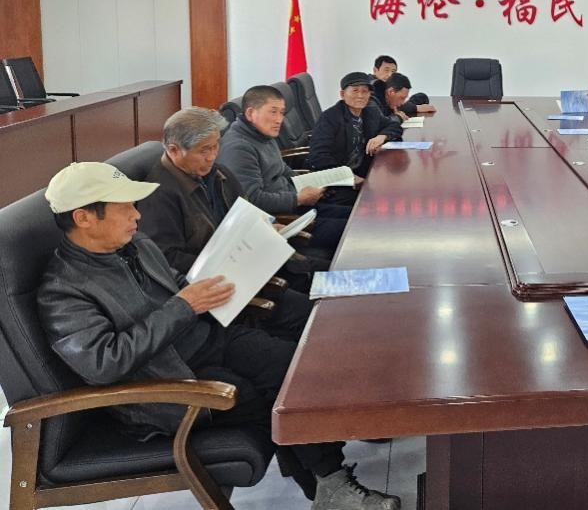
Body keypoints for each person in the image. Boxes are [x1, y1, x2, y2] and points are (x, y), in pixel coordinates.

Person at [37, 161, 402, 509]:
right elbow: (104, 363)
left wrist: (220, 279)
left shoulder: (136, 246)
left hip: (208, 340)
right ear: (84, 218)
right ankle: (331, 485)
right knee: (277, 394)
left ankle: (327, 485)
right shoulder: (63, 290)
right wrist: (183, 305)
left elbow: (176, 286)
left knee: (301, 368)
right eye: (125, 208)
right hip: (170, 381)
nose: (137, 215)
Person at [136, 107, 318, 331]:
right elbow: (165, 259)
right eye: (204, 150)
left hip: (259, 265)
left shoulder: (218, 173)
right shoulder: (159, 196)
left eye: (216, 146)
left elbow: (246, 212)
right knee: (315, 315)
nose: (212, 156)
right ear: (174, 150)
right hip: (226, 289)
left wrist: (266, 226)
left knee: (325, 292)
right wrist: (226, 258)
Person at [216, 85, 348, 251]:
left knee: (356, 215)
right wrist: (298, 199)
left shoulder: (262, 133)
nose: (279, 119)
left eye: (281, 112)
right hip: (284, 219)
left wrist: (305, 182)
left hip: (294, 201)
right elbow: (252, 200)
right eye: (273, 112)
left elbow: (281, 167)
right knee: (352, 230)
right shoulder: (239, 148)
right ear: (250, 113)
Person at [308, 71, 403, 203]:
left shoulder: (370, 113)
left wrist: (382, 136)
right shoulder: (329, 118)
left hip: (362, 171)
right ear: (342, 94)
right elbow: (318, 157)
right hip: (337, 181)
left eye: (365, 91)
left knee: (394, 187)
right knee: (377, 200)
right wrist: (349, 176)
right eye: (355, 91)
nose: (360, 96)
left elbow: (394, 126)